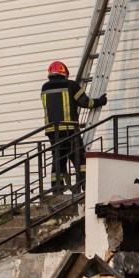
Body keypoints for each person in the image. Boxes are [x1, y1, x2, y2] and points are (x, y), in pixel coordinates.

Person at [39, 61, 100, 192]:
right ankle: (84, 183)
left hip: (52, 130)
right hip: (69, 129)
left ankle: (57, 188)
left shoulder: (45, 87)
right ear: (65, 73)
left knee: (58, 158)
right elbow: (86, 102)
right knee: (79, 156)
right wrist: (100, 101)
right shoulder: (71, 85)